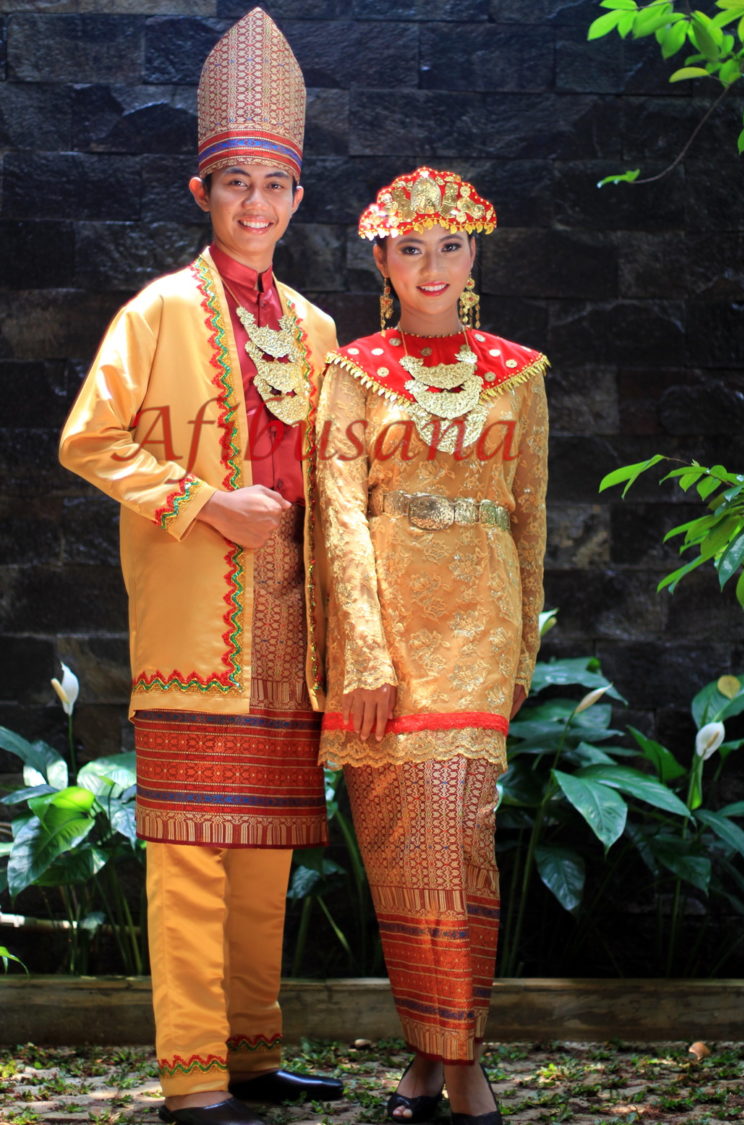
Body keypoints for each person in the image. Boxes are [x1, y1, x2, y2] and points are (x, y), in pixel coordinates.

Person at [59, 10, 342, 1125]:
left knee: (265, 857)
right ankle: (194, 1082)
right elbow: (91, 438)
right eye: (237, 184)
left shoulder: (321, 330)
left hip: (288, 632)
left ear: (298, 198)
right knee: (189, 862)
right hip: (191, 632)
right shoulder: (159, 309)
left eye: (275, 185)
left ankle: (255, 1058)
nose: (257, 205)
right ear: (203, 194)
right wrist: (206, 502)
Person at [316, 167, 549, 1125]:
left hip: (481, 629)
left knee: (462, 837)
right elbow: (336, 518)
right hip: (390, 633)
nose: (433, 266)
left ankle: (463, 1062)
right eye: (411, 248)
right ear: (382, 259)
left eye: (450, 246)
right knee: (402, 846)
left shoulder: (523, 374)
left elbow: (531, 516)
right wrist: (362, 651)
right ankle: (428, 1052)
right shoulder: (352, 371)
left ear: (475, 254)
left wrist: (524, 642)